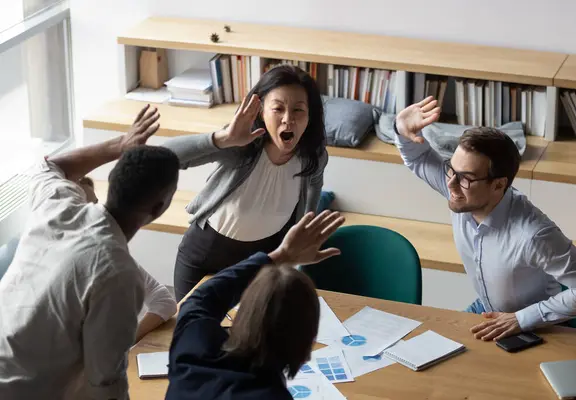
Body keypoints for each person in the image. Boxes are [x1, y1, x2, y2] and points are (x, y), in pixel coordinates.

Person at [0, 104, 180, 399]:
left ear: (112, 182)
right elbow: (105, 383)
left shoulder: (56, 206)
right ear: (159, 208)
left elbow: (49, 167)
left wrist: (118, 145)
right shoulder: (118, 273)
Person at [394, 96, 576, 342]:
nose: (450, 184)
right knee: (430, 350)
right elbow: (419, 159)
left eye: (465, 178)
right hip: (487, 310)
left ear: (499, 185)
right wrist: (401, 128)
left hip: (537, 327)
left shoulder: (534, 235)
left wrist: (521, 319)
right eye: (451, 169)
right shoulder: (463, 191)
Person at [162, 65, 328, 301]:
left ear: (310, 116)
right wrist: (224, 138)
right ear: (261, 112)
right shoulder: (240, 147)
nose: (288, 119)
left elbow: (313, 193)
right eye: (278, 109)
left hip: (262, 263)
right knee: (194, 332)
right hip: (205, 257)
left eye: (298, 110)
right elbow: (161, 157)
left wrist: (304, 237)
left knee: (250, 336)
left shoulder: (314, 156)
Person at [166, 210, 345, 400]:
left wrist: (280, 255)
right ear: (306, 347)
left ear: (244, 311)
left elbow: (202, 297)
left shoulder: (192, 341)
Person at [0, 176, 177, 343]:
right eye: (82, 210)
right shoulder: (25, 258)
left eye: (94, 207)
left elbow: (163, 301)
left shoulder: (104, 251)